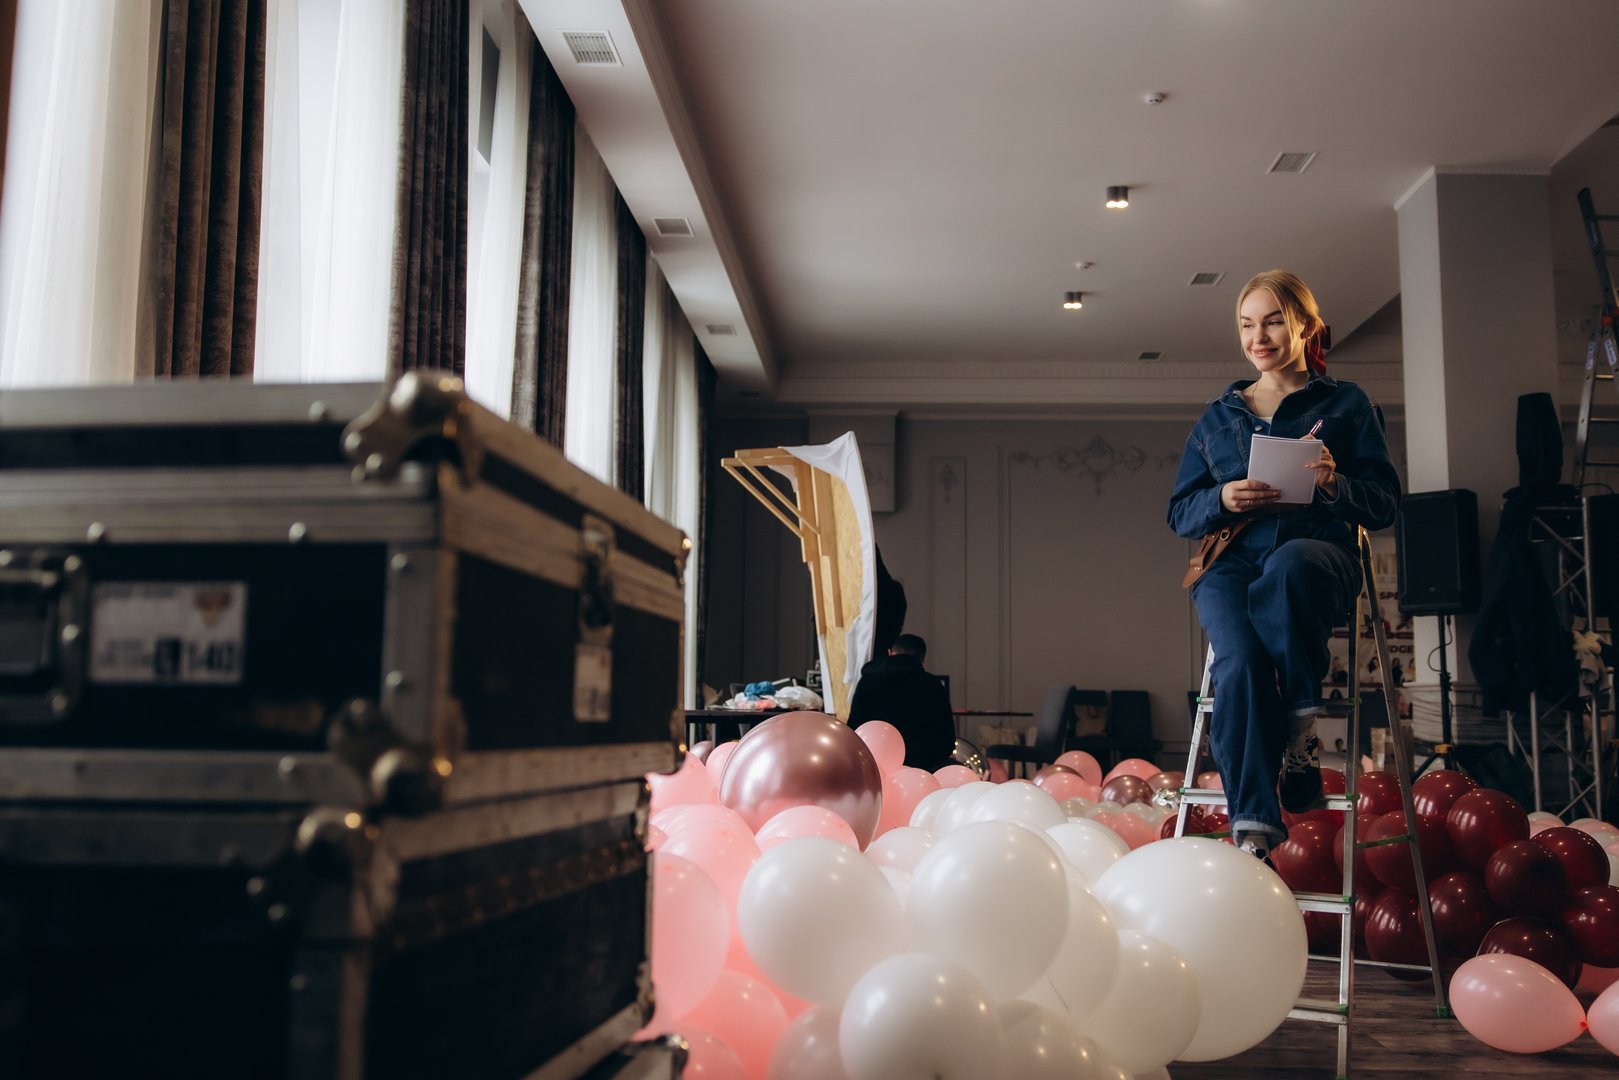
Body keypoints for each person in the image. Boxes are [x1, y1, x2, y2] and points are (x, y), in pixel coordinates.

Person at [1167, 270, 1399, 862]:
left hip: (1318, 556)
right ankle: (1254, 831)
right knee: (1239, 665)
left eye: (1272, 321)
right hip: (1230, 565)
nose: (1259, 336)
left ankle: (1299, 722)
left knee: (1290, 565)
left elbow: (1384, 505)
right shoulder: (1218, 418)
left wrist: (1333, 482)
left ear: (1304, 325)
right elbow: (1179, 512)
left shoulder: (1346, 406)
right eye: (1247, 324)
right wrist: (1222, 499)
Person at [848, 633, 956, 772]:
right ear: (923, 659)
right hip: (925, 771)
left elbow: (854, 727)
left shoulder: (868, 681)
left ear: (890, 653)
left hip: (875, 769)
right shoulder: (932, 685)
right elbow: (947, 738)